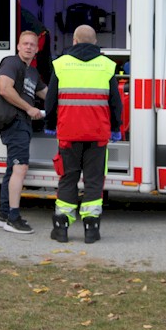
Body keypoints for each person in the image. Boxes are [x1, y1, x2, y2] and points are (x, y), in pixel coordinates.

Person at [44, 24, 122, 244]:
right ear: (95, 42)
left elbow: (51, 100)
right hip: (98, 135)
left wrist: (50, 124)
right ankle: (91, 229)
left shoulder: (61, 64)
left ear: (74, 41)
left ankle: (61, 227)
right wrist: (116, 128)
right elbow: (115, 103)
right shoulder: (107, 66)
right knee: (94, 180)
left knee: (68, 178)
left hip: (68, 134)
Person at [0, 30, 48, 234]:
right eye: (25, 43)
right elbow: (4, 88)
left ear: (37, 49)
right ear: (18, 46)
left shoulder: (33, 72)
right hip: (14, 122)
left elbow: (47, 94)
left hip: (23, 124)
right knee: (20, 168)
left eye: (32, 45)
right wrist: (29, 108)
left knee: (12, 170)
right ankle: (13, 218)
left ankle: (3, 215)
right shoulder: (11, 63)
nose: (28, 47)